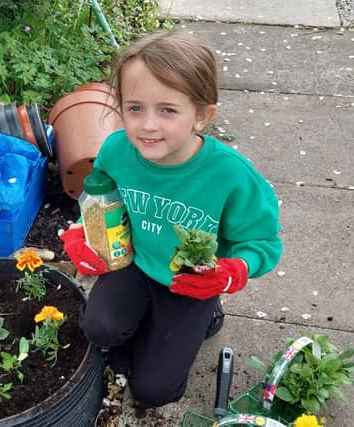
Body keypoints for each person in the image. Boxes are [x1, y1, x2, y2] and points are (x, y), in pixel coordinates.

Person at [59, 30, 282, 410]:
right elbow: (100, 198)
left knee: (152, 392)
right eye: (135, 108)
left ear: (202, 116)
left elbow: (263, 242)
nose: (147, 126)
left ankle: (208, 314)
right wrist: (83, 234)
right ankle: (149, 322)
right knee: (99, 330)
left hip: (190, 281)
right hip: (136, 263)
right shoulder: (116, 150)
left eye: (168, 110)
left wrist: (230, 272)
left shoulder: (230, 175)